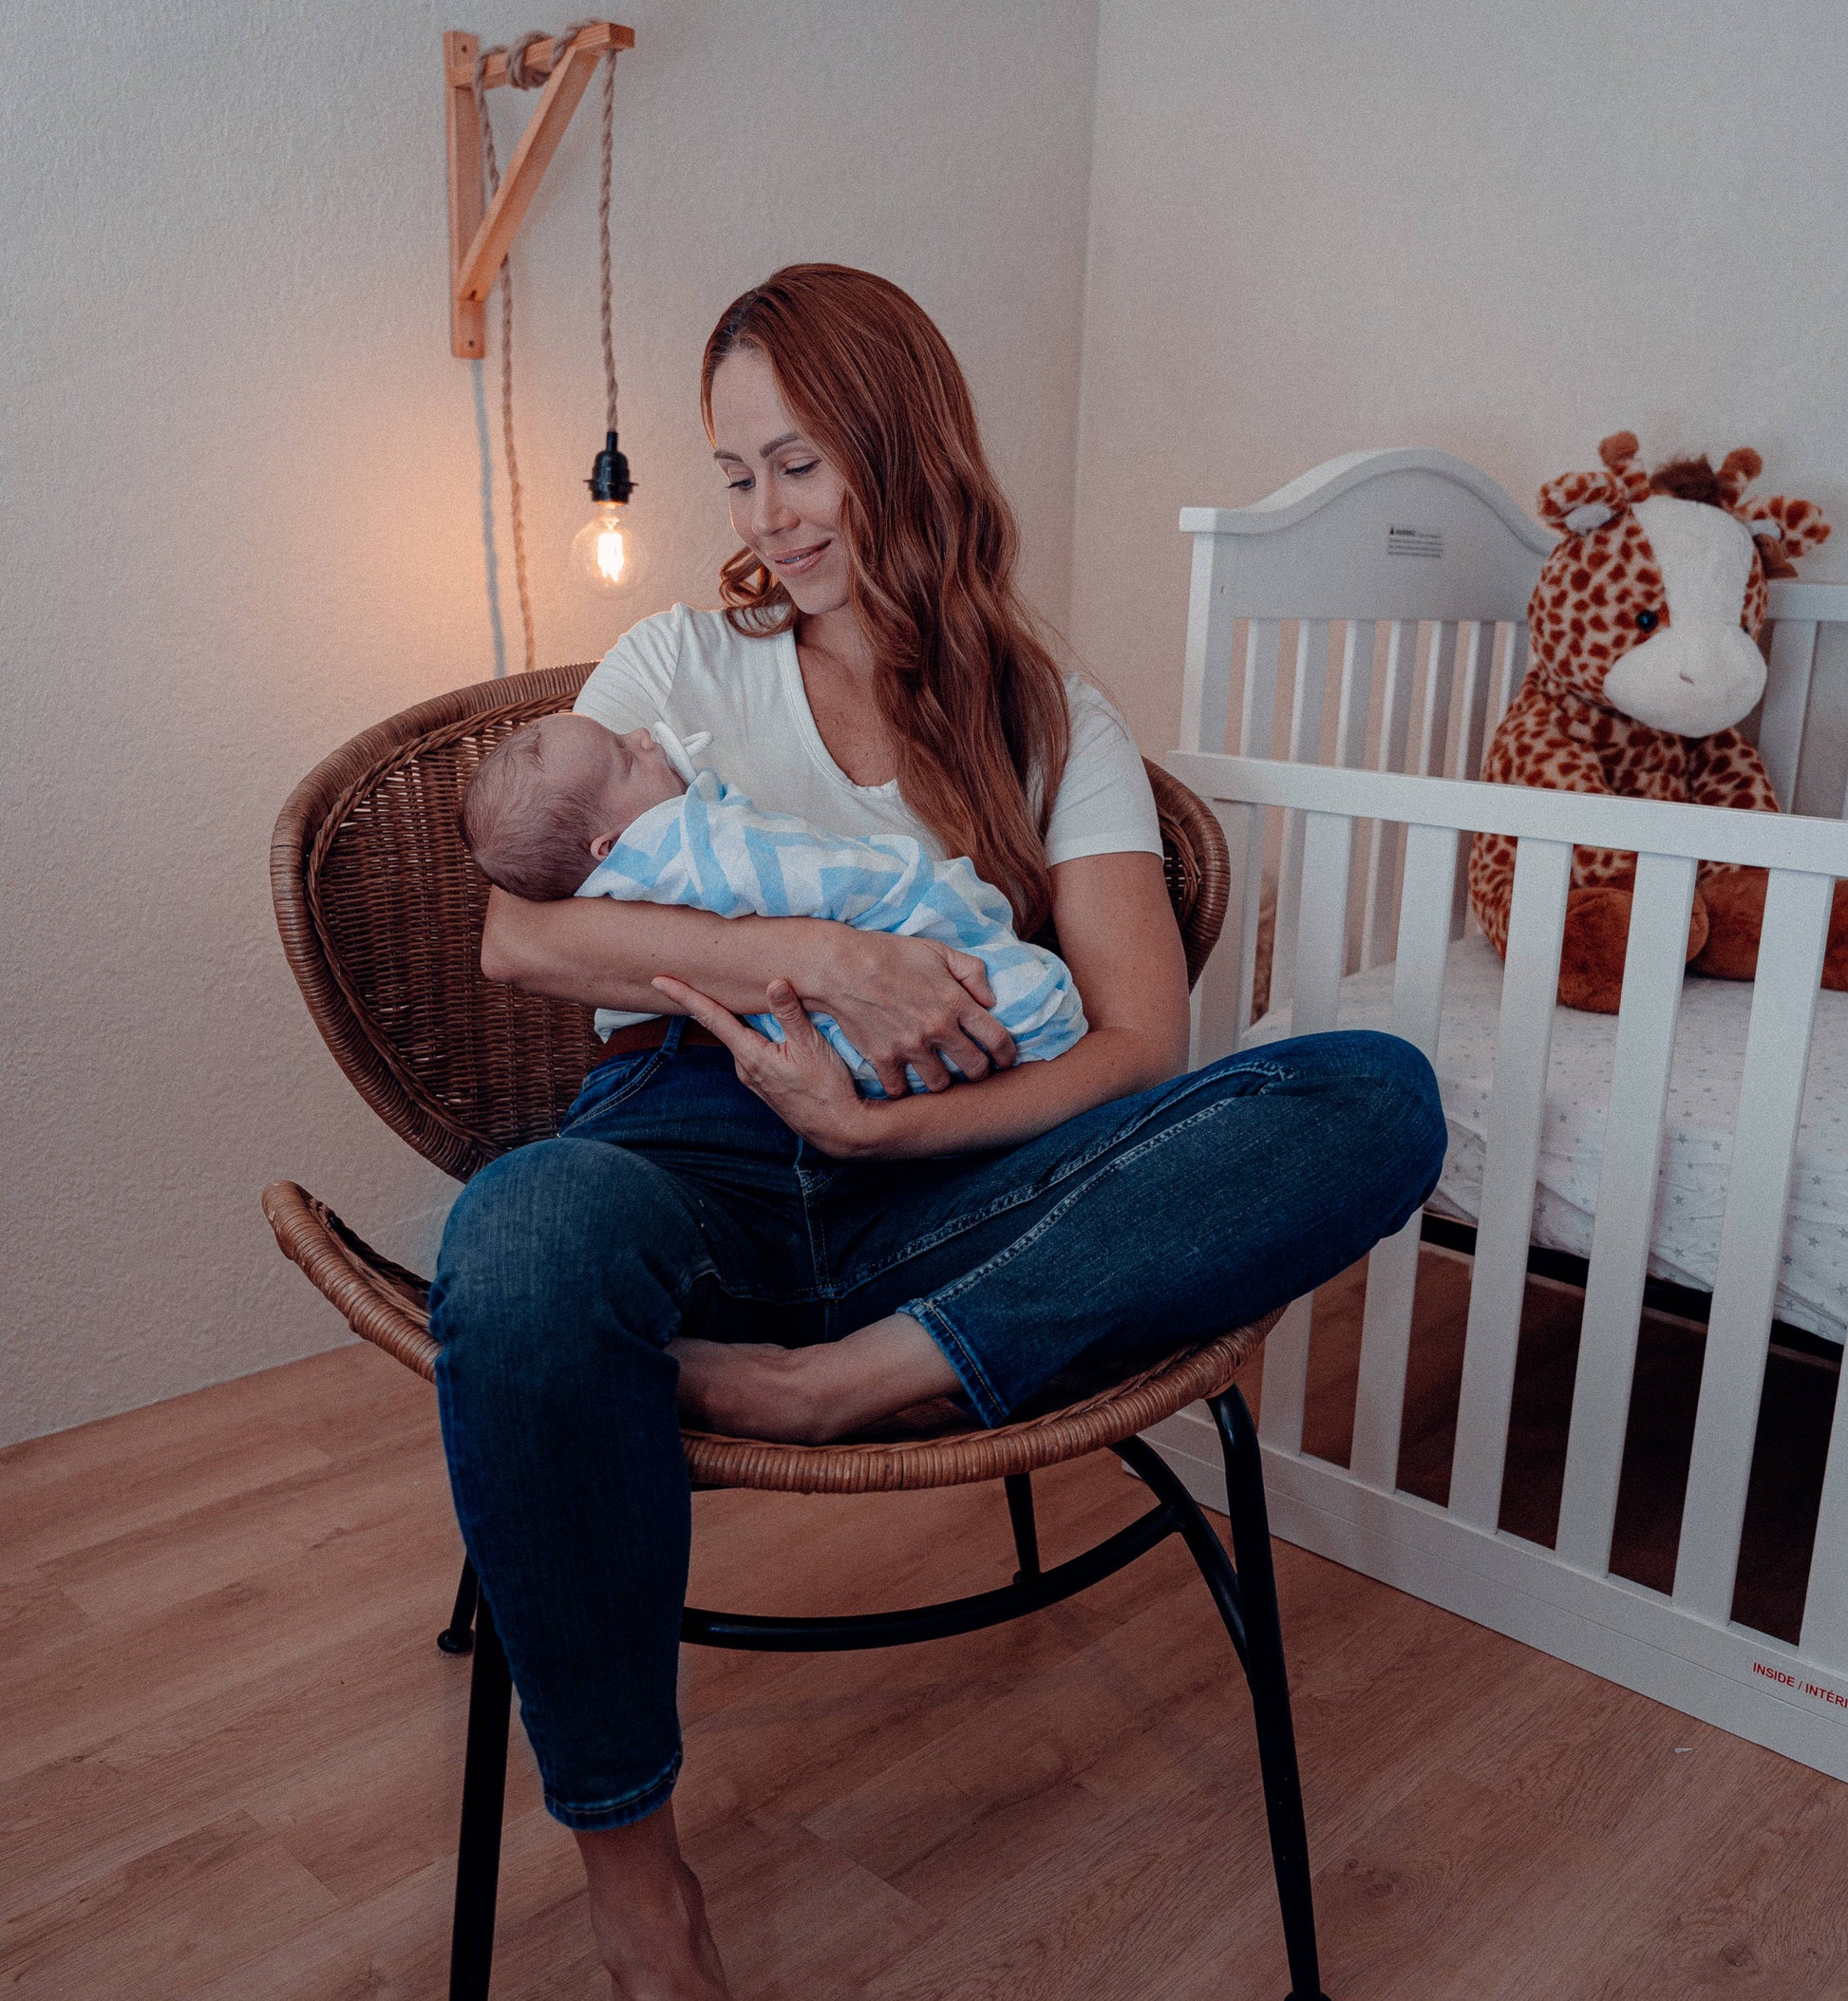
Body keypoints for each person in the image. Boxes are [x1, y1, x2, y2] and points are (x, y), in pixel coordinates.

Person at [432, 263, 1444, 2001]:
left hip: (954, 1180)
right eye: (735, 473)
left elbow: (1139, 1044)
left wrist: (887, 1132)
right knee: (520, 1237)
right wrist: (827, 961)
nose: (766, 514)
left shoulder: (1051, 719)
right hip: (690, 1141)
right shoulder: (675, 664)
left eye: (797, 463)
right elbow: (520, 938)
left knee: (1375, 1093)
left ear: (904, 444)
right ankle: (636, 1878)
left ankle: (847, 1377)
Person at [458, 710, 1086, 1091]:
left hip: (815, 1063)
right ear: (608, 846)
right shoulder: (689, 840)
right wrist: (897, 892)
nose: (644, 735)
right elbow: (809, 872)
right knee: (1030, 1001)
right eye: (625, 757)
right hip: (694, 1068)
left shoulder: (625, 859)